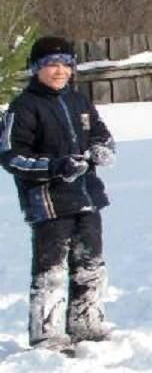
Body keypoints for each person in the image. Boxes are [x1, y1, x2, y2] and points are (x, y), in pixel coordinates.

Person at [0, 36, 116, 353]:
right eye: (52, 64)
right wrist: (55, 167)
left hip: (87, 197)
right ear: (36, 69)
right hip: (48, 203)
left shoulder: (79, 101)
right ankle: (47, 334)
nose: (60, 71)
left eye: (66, 64)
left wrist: (102, 148)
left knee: (90, 264)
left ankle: (85, 323)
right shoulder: (23, 108)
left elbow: (100, 132)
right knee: (51, 269)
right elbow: (10, 155)